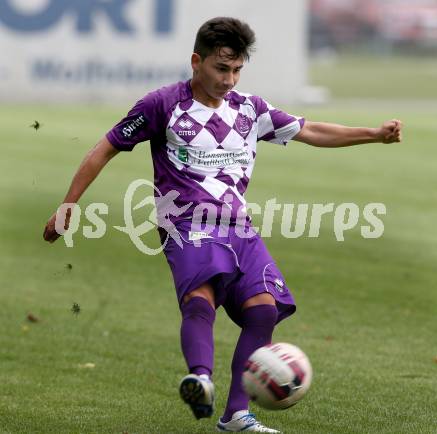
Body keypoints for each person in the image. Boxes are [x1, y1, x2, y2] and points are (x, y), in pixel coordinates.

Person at [43, 17, 402, 433]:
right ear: (196, 61)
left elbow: (312, 130)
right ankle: (200, 377)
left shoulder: (251, 109)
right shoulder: (161, 105)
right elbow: (104, 148)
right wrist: (69, 207)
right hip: (185, 222)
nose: (229, 79)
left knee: (263, 311)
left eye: (236, 70)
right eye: (220, 68)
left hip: (238, 225)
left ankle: (236, 416)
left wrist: (373, 134)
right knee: (201, 296)